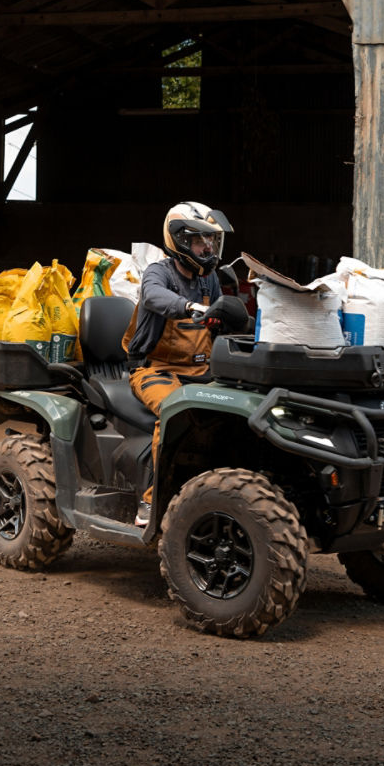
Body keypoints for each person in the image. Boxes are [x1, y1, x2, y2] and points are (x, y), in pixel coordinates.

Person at [124, 201, 234, 526]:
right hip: (153, 369)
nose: (209, 247)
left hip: (200, 372)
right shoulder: (159, 273)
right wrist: (187, 307)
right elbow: (154, 296)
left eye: (212, 240)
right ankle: (150, 500)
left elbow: (221, 313)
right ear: (181, 240)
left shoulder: (208, 279)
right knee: (174, 412)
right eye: (201, 240)